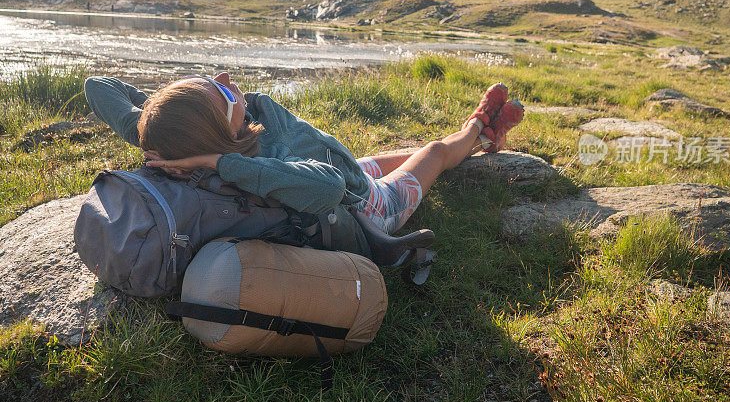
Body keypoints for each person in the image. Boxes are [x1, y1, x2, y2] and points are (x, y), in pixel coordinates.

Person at [84, 73, 524, 260]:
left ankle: (474, 138)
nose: (227, 82)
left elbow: (96, 85)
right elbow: (329, 187)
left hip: (345, 163)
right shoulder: (266, 160)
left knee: (401, 155)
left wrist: (164, 109)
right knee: (432, 152)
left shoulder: (166, 139)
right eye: (224, 95)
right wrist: (219, 161)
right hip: (365, 203)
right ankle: (479, 130)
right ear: (218, 131)